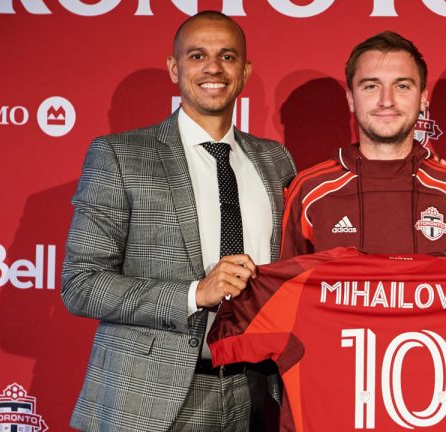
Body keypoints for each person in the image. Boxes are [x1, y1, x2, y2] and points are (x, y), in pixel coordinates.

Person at [61, 11, 295, 431]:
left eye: (227, 56)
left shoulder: (275, 161)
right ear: (174, 68)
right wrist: (194, 294)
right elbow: (81, 285)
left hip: (254, 392)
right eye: (196, 55)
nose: (213, 68)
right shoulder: (119, 155)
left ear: (245, 71)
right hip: (150, 400)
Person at [280, 31, 446, 259]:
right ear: (350, 99)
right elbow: (286, 289)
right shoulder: (309, 190)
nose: (387, 101)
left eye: (402, 86)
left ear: (423, 98)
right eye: (371, 86)